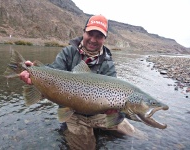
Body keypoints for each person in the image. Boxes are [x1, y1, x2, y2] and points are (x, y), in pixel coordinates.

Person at [20, 15, 142, 149]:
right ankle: (69, 130)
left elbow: (117, 96)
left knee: (135, 134)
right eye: (90, 34)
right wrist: (34, 71)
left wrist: (117, 112)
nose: (93, 40)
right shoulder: (69, 52)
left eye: (99, 36)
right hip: (72, 112)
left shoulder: (108, 63)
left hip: (98, 113)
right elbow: (54, 70)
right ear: (84, 32)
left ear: (104, 39)